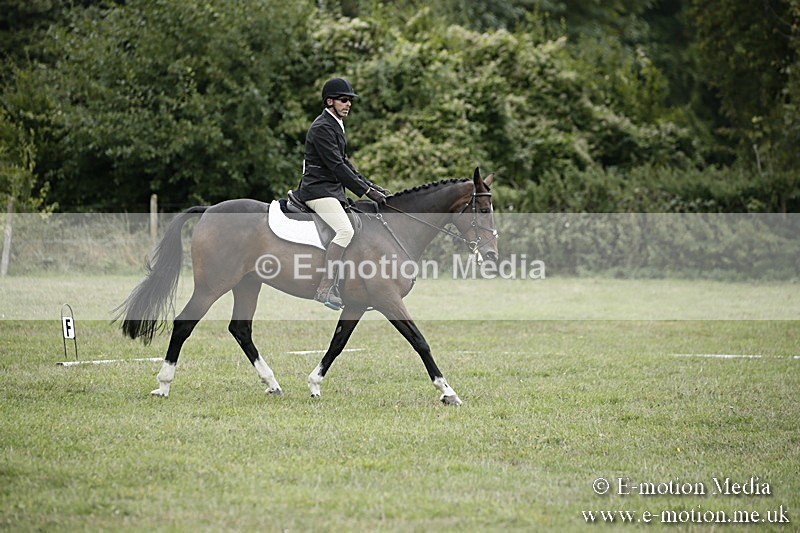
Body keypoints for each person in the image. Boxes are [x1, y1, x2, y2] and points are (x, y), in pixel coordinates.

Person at [294, 77, 387, 310]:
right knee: (345, 230)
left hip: (331, 190)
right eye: (344, 100)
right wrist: (366, 192)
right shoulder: (322, 127)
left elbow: (346, 163)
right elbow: (337, 167)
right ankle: (325, 288)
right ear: (330, 101)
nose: (348, 104)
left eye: (350, 100)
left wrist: (371, 186)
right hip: (317, 191)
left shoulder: (335, 124)